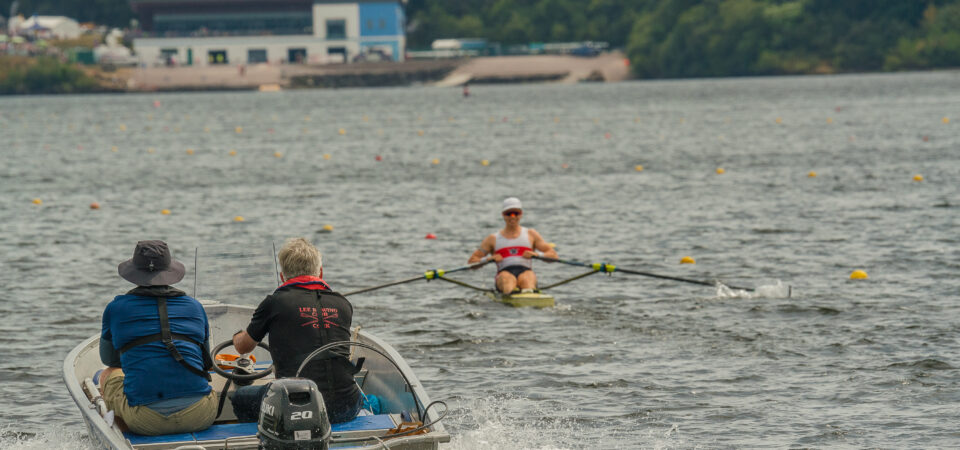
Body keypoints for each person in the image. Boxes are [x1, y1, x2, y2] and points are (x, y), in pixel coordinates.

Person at [231, 237, 361, 424]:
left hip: (297, 407)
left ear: (282, 276)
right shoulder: (342, 303)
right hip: (347, 406)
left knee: (240, 398)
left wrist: (237, 336)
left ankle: (266, 432)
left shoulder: (274, 302)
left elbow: (243, 347)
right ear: (320, 272)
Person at [99, 240, 217, 435]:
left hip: (145, 421)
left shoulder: (116, 308)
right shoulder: (195, 306)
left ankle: (122, 438)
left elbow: (109, 359)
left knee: (108, 374)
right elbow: (206, 361)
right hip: (201, 416)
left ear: (134, 273)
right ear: (169, 271)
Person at [468, 197, 558, 294]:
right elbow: (472, 262)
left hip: (526, 272)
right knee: (508, 281)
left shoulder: (531, 234)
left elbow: (553, 256)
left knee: (527, 280)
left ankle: (528, 293)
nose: (512, 217)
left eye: (516, 213)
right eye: (509, 213)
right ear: (503, 215)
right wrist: (489, 259)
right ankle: (511, 293)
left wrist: (537, 255)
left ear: (521, 214)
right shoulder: (492, 239)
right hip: (504, 273)